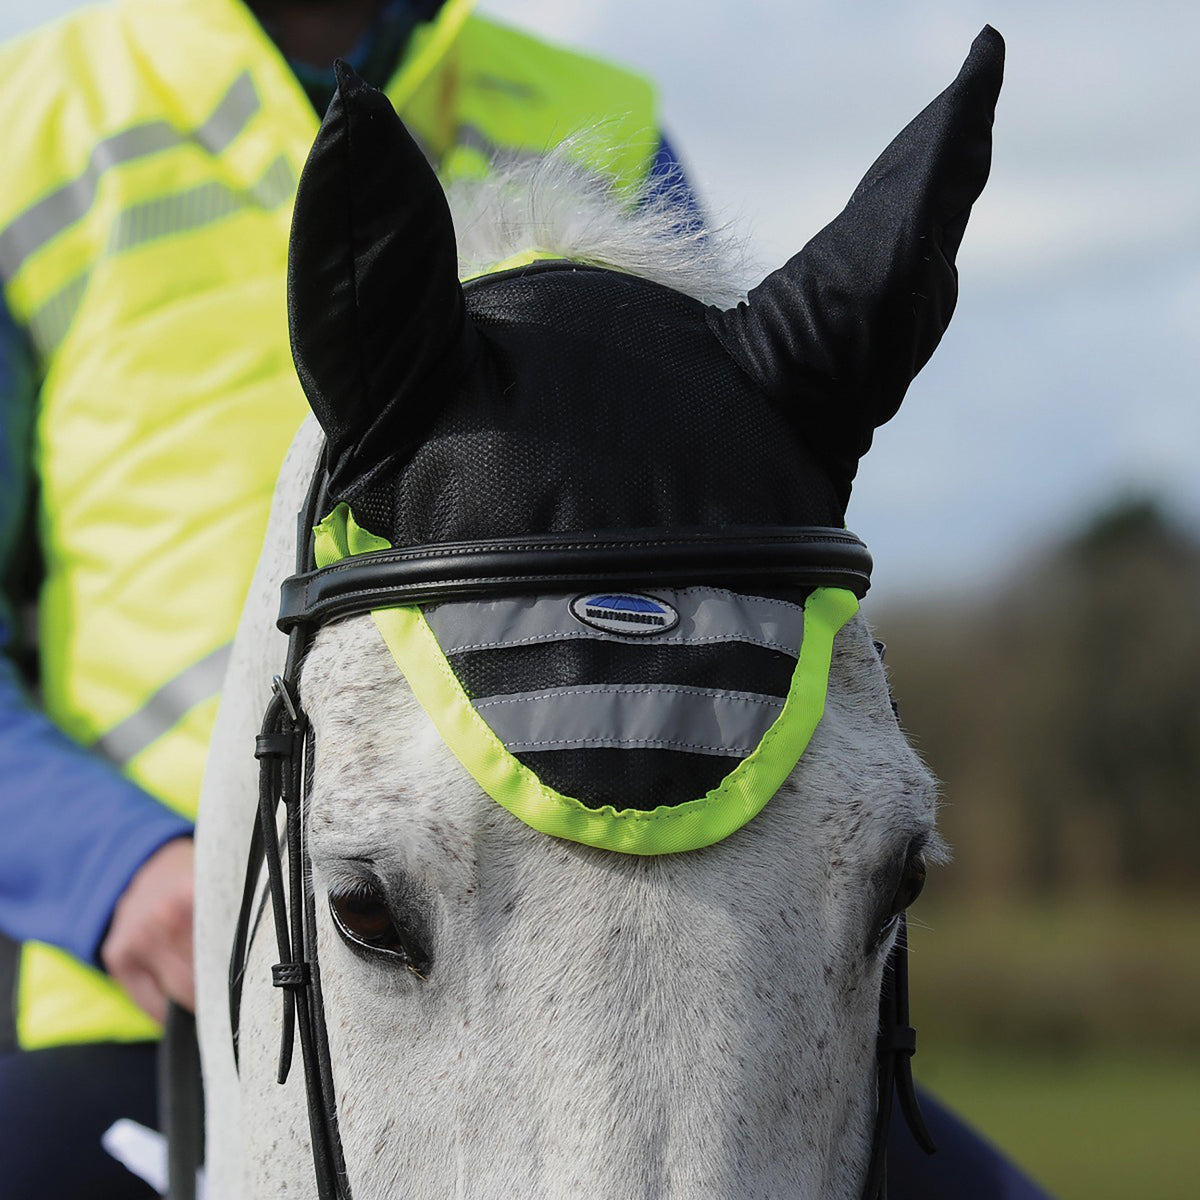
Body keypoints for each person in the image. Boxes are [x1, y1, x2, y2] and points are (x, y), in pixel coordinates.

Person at [0, 2, 1049, 1197]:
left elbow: (719, 541)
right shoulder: (26, 126)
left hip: (653, 989)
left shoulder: (600, 115)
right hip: (144, 983)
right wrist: (116, 872)